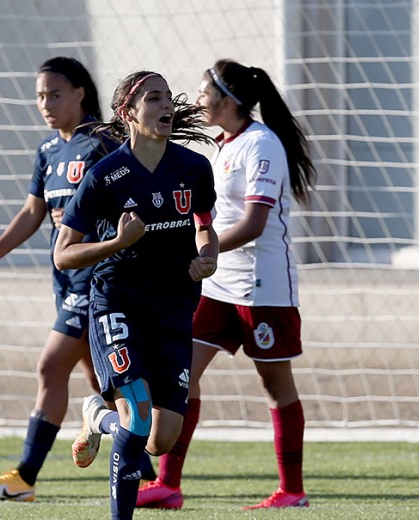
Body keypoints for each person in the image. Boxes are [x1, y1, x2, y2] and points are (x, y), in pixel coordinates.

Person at [135, 59, 317, 510]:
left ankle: (292, 492)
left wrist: (203, 254)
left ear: (227, 99)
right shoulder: (222, 145)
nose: (197, 99)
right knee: (181, 373)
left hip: (262, 287)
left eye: (203, 91)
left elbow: (254, 223)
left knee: (275, 385)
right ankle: (168, 485)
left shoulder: (262, 144)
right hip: (216, 286)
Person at [53, 70, 219, 519]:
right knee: (140, 413)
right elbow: (63, 255)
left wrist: (209, 256)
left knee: (160, 439)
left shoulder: (193, 168)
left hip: (173, 307)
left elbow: (204, 226)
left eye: (167, 97)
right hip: (117, 302)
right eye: (153, 98)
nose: (166, 105)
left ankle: (97, 415)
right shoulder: (105, 176)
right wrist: (116, 244)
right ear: (128, 112)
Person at [0, 56, 117, 502]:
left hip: (97, 278)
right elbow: (33, 213)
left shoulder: (103, 143)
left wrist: (85, 218)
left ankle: (25, 477)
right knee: (105, 383)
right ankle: (150, 470)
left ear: (80, 93)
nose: (46, 103)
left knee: (50, 367)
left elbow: (128, 201)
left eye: (55, 94)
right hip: (65, 281)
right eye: (39, 96)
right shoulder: (49, 150)